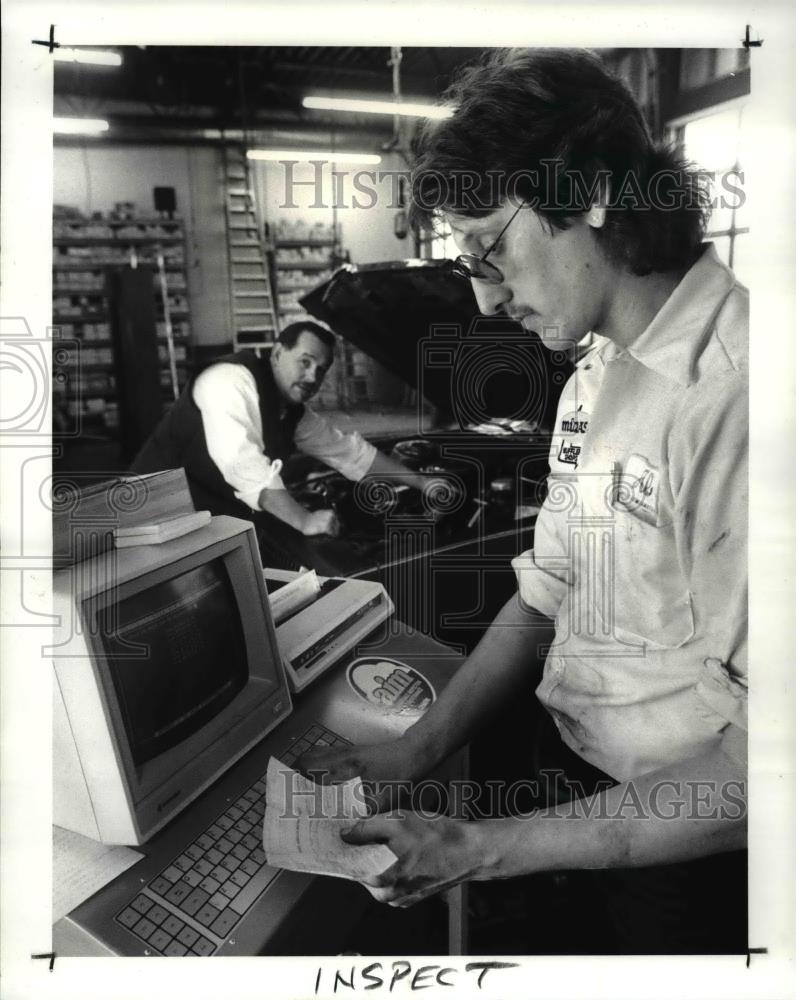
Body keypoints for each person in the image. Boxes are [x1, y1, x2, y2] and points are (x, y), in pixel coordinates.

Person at [297, 48, 748, 953]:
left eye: (490, 248)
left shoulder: (740, 397)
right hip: (566, 782)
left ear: (587, 193)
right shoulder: (595, 372)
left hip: (685, 850)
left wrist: (483, 847)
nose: (489, 301)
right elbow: (547, 588)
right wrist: (416, 748)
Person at [130, 321, 440, 572]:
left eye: (321, 369)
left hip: (208, 525)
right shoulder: (229, 379)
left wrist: (422, 483)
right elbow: (243, 465)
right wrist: (304, 520)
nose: (312, 376)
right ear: (277, 352)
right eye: (305, 362)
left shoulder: (291, 412)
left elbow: (348, 452)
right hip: (150, 523)